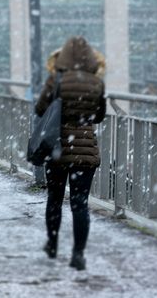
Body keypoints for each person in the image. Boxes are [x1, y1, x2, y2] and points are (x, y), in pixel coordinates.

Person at [35, 36, 106, 271]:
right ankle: (78, 255)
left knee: (55, 199)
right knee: (80, 204)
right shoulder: (97, 83)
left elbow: (40, 109)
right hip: (85, 152)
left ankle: (53, 244)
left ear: (63, 56)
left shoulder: (57, 79)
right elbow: (98, 116)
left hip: (57, 149)